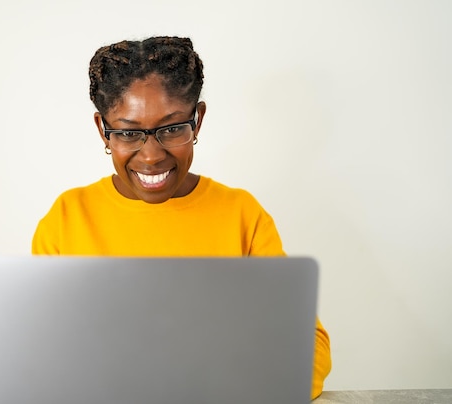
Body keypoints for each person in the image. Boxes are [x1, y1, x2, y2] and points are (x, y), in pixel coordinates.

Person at [32, 36, 331, 399]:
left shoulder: (241, 215)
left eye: (172, 128)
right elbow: (41, 355)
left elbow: (309, 350)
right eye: (128, 132)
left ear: (197, 121)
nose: (151, 156)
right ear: (103, 130)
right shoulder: (67, 218)